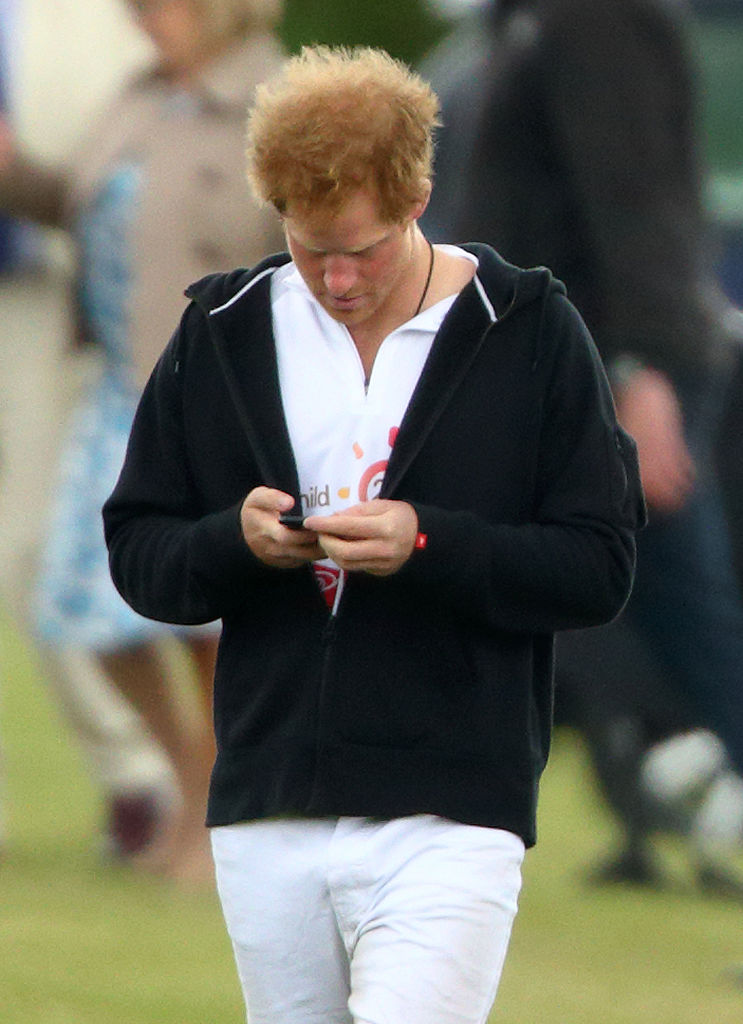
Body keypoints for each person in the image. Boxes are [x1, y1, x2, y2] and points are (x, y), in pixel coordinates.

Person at [103, 44, 644, 1021]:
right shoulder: (222, 331)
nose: (339, 279)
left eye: (364, 247)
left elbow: (597, 565)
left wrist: (425, 544)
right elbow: (142, 553)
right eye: (311, 250)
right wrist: (236, 541)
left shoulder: (524, 329)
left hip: (452, 804)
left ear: (418, 194)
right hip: (267, 806)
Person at [422, 0, 743, 873]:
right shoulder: (529, 19)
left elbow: (632, 201)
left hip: (619, 364)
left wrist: (638, 372)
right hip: (557, 360)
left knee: (693, 621)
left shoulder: (601, 17)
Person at [0, 0, 285, 885]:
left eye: (165, 5)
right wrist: (16, 176)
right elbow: (82, 206)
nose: (147, 19)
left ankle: (211, 816)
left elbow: (300, 245)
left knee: (202, 623)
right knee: (85, 609)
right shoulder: (140, 95)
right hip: (117, 391)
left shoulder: (268, 102)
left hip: (210, 397)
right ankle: (188, 777)